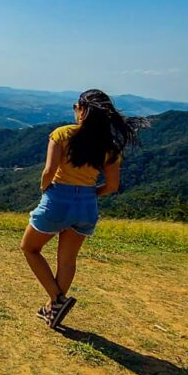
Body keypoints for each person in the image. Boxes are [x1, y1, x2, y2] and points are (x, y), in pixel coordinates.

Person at [20, 89, 148, 328]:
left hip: (58, 198)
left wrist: (44, 189)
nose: (75, 110)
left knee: (29, 248)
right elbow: (112, 186)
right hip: (87, 205)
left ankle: (57, 298)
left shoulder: (62, 134)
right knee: (67, 261)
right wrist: (90, 194)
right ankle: (51, 309)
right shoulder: (109, 147)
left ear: (83, 110)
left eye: (76, 107)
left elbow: (49, 171)